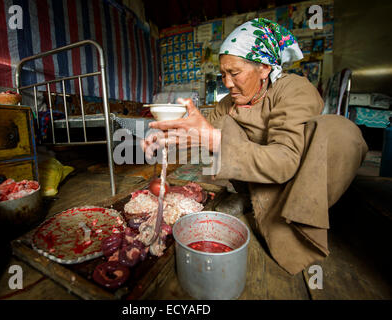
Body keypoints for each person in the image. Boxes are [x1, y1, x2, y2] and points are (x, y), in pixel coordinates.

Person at [142, 18, 368, 275]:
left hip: (297, 180)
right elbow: (198, 137)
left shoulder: (294, 90)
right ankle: (252, 200)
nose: (227, 83)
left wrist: (214, 139)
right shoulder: (228, 103)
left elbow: (285, 161)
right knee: (223, 127)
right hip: (257, 182)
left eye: (235, 73)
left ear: (264, 68)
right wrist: (167, 141)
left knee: (339, 132)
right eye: (223, 74)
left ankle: (296, 218)